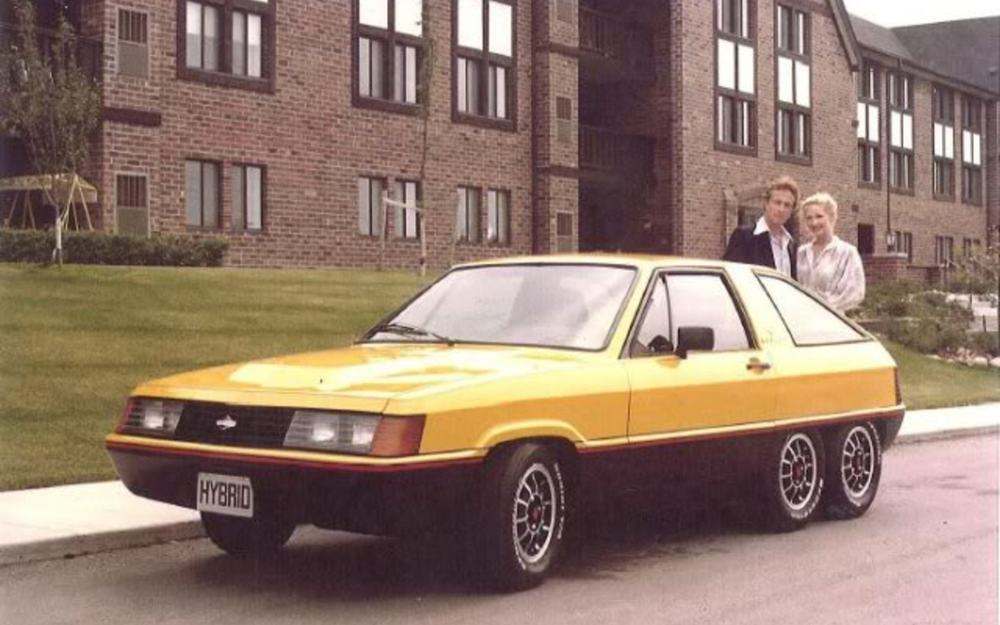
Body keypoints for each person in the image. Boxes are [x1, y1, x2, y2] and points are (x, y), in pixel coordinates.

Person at [796, 192, 866, 312]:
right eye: (809, 218)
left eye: (819, 216)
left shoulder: (846, 252)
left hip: (831, 318)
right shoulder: (801, 252)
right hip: (800, 317)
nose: (814, 222)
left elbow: (855, 292)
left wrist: (824, 307)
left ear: (832, 217)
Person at [723, 176, 799, 279]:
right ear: (766, 203)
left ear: (791, 211)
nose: (781, 209)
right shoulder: (744, 237)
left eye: (787, 205)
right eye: (777, 203)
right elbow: (730, 276)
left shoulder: (791, 244)